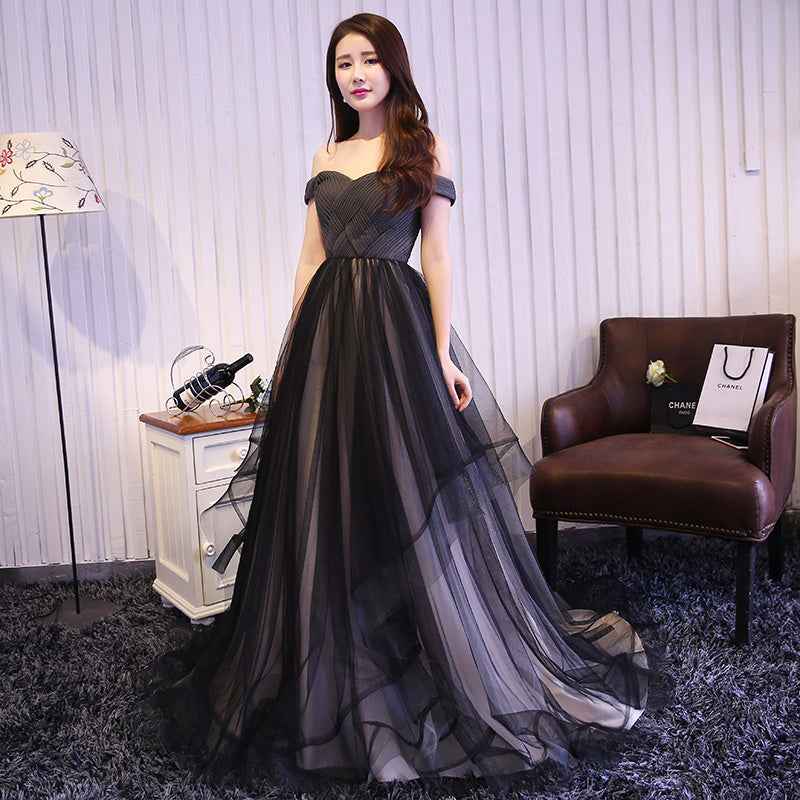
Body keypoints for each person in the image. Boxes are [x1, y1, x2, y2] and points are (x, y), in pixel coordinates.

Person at [135, 11, 671, 791]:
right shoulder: (325, 155)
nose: (356, 74)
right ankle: (334, 648)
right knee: (327, 494)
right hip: (327, 336)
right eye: (343, 63)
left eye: (368, 60)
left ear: (392, 68)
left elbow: (439, 254)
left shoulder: (424, 147)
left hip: (394, 332)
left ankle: (430, 642)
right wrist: (290, 349)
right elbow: (310, 258)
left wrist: (441, 352)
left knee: (406, 483)